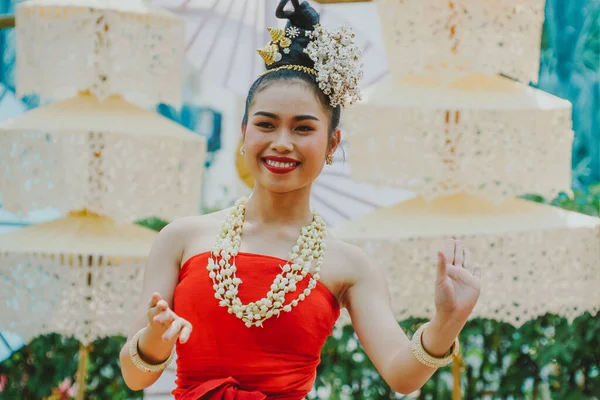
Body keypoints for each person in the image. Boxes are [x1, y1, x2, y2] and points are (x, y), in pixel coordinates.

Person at [119, 1, 481, 398]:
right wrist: (154, 343)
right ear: (243, 132)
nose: (282, 143)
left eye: (303, 128)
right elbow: (135, 377)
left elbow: (401, 374)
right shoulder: (182, 238)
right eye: (266, 124)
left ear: (332, 142)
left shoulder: (349, 265)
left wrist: (447, 321)